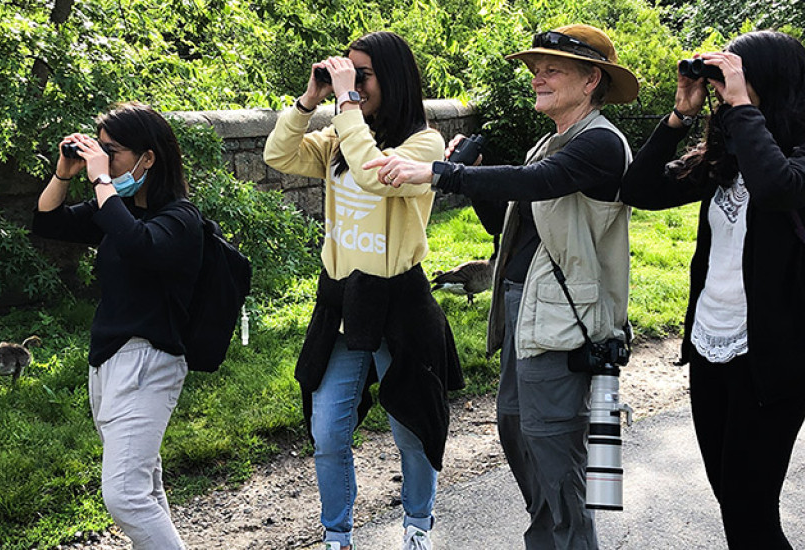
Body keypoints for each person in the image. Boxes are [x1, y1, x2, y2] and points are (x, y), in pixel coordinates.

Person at [364, 24, 638, 549]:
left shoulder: (600, 142)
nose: (537, 76)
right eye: (536, 68)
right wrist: (480, 178)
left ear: (591, 81)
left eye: (552, 68)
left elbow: (538, 183)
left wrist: (441, 173)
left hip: (565, 323)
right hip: (528, 315)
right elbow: (511, 228)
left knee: (556, 455)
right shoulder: (550, 142)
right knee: (519, 435)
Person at [263, 31, 464, 550]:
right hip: (341, 301)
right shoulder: (338, 138)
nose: (348, 85)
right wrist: (311, 99)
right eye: (345, 74)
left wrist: (345, 106)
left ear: (391, 80)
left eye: (362, 75)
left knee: (410, 430)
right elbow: (277, 154)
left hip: (397, 302)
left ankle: (418, 525)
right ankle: (337, 535)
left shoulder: (425, 145)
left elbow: (376, 176)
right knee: (328, 431)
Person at [620, 30, 805, 549]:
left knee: (750, 513)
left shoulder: (790, 159)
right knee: (732, 501)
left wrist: (742, 105)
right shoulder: (726, 158)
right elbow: (639, 191)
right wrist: (680, 114)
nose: (725, 88)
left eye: (736, 76)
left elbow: (776, 188)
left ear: (769, 81)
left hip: (772, 362)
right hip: (709, 348)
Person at [32, 102, 202, 550]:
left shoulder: (180, 219)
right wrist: (66, 171)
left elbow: (139, 246)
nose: (102, 159)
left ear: (148, 158)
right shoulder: (117, 207)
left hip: (151, 359)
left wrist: (101, 179)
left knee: (125, 494)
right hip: (108, 361)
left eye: (114, 151)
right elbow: (47, 221)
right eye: (100, 149)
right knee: (144, 487)